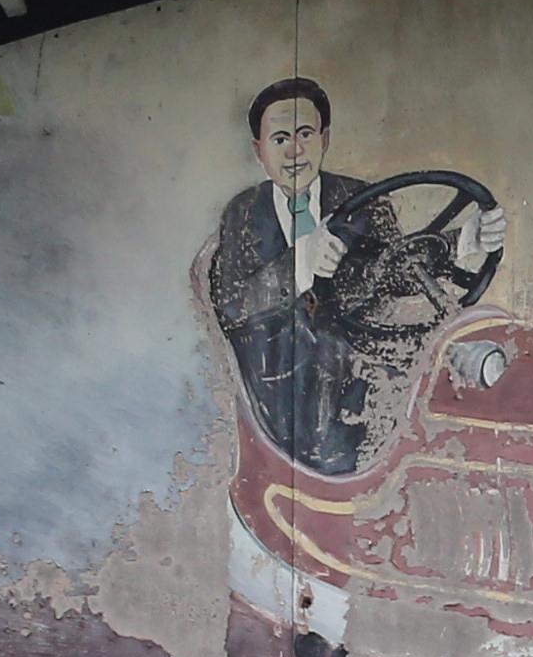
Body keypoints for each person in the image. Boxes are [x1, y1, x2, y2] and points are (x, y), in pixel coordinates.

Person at [203, 77, 506, 476]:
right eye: (279, 140)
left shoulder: (361, 198)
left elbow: (393, 270)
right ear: (258, 150)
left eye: (305, 134)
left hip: (363, 353)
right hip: (282, 372)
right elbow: (233, 305)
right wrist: (303, 260)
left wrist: (461, 242)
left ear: (324, 139)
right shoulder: (243, 213)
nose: (295, 151)